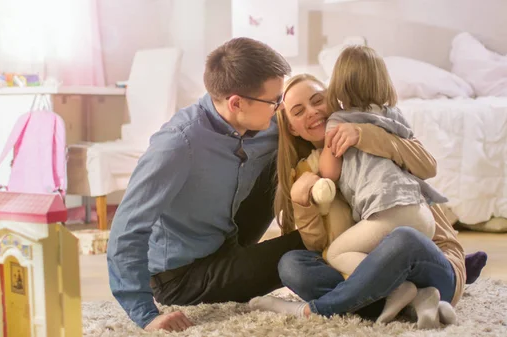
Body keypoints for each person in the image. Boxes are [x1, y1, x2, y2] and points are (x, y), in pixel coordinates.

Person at [107, 37, 304, 332]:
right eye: (274, 101)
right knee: (307, 243)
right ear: (236, 103)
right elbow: (126, 231)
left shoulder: (260, 123)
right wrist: (146, 315)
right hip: (181, 277)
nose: (280, 108)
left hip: (225, 237)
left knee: (285, 156)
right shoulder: (177, 144)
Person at [249, 73, 466, 329]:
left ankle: (315, 311)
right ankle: (414, 301)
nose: (312, 111)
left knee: (402, 239)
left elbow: (426, 164)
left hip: (429, 262)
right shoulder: (309, 170)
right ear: (291, 128)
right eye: (298, 111)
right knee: (292, 265)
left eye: (318, 100)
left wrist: (363, 134)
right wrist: (302, 203)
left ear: (333, 100)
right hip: (367, 267)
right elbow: (320, 246)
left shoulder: (371, 124)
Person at [320, 45, 450, 322]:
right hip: (422, 214)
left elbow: (329, 173)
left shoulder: (337, 122)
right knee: (394, 259)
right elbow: (418, 158)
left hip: (389, 211)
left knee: (336, 253)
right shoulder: (395, 116)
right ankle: (424, 297)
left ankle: (397, 288)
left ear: (339, 83)